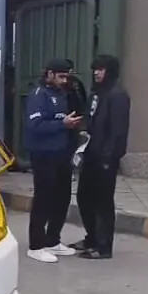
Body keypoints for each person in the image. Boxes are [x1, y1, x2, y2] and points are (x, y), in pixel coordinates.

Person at [70, 54, 130, 260]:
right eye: (95, 69)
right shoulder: (96, 93)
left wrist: (110, 156)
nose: (96, 73)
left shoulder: (117, 95)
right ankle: (92, 237)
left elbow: (119, 130)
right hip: (90, 154)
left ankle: (103, 247)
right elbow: (90, 118)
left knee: (102, 203)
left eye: (101, 69)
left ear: (110, 71)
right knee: (84, 198)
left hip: (105, 158)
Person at [24, 59, 82, 263]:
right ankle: (36, 245)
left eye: (67, 76)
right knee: (44, 199)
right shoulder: (39, 95)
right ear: (49, 74)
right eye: (61, 76)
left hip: (62, 153)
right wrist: (62, 124)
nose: (65, 80)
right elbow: (36, 125)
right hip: (43, 155)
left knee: (62, 198)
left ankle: (52, 240)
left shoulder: (62, 94)